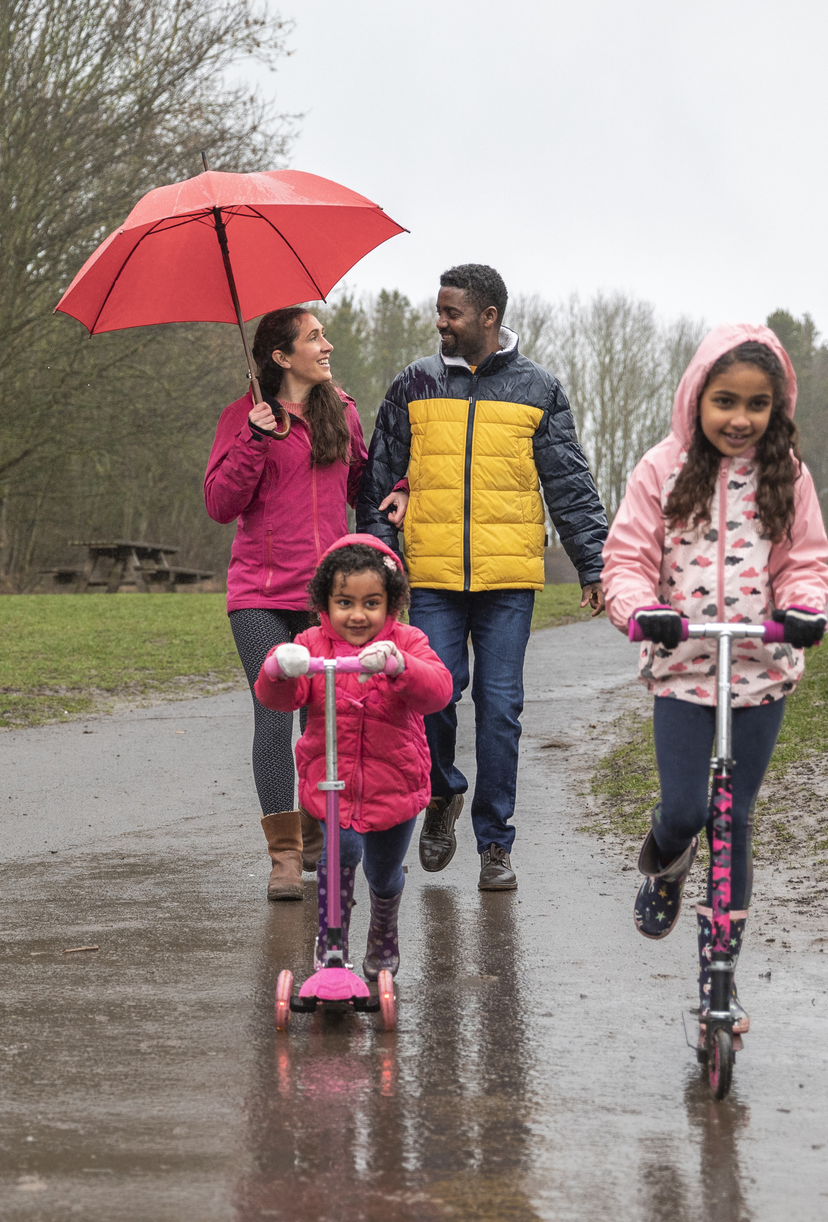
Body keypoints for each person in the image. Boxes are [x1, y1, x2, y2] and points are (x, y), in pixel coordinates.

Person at [600, 324, 828, 1034]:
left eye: (756, 405)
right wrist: (642, 611)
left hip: (759, 669)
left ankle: (717, 983)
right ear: (696, 399)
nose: (739, 418)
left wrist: (802, 609)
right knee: (685, 812)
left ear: (776, 407)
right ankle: (665, 862)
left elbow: (802, 560)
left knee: (734, 820)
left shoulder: (785, 472)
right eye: (724, 401)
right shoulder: (660, 470)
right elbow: (628, 559)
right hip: (683, 668)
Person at [356, 264, 607, 892]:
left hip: (508, 580)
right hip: (432, 578)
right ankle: (443, 794)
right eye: (438, 311)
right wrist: (385, 562)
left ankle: (495, 844)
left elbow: (569, 486)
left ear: (488, 317)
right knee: (433, 697)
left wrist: (594, 564)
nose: (440, 322)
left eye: (452, 313)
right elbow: (379, 482)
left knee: (499, 709)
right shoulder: (413, 383)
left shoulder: (538, 389)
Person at [206, 306, 369, 900]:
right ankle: (283, 856)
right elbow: (221, 505)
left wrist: (393, 499)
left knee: (322, 721)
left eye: (323, 335)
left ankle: (317, 835)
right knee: (273, 714)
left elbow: (361, 490)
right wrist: (253, 437)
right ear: (281, 357)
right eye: (314, 338)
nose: (327, 345)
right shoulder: (241, 419)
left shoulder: (343, 411)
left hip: (324, 595)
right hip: (258, 595)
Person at [253, 535, 454, 979]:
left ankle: (383, 927)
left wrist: (399, 665)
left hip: (393, 784)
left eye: (371, 602)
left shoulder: (407, 640)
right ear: (326, 602)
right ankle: (331, 942)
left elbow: (439, 690)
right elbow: (279, 698)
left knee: (383, 874)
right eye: (344, 602)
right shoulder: (312, 644)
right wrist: (278, 667)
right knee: (338, 853)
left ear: (391, 602)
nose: (358, 614)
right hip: (333, 782)